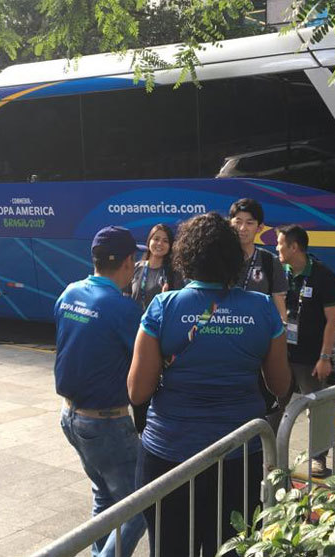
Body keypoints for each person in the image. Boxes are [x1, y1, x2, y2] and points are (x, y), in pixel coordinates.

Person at [128, 212, 291, 556]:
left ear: (185, 256)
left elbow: (137, 392)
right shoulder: (262, 308)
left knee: (171, 549)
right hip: (239, 454)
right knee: (230, 547)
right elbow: (280, 385)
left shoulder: (163, 307)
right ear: (234, 258)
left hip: (169, 454)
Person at [53, 226, 146, 557]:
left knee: (104, 495)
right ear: (128, 262)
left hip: (70, 416)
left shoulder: (70, 293)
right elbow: (150, 357)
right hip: (105, 424)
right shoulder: (122, 308)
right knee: (141, 505)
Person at [275, 224, 335, 477]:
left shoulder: (324, 276)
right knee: (274, 405)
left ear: (294, 247)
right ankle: (271, 455)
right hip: (281, 355)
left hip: (311, 358)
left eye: (280, 244)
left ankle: (319, 458)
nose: (276, 248)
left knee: (318, 406)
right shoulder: (279, 272)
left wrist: (325, 357)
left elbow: (332, 320)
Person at [229, 198, 288, 428]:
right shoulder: (221, 259)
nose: (242, 228)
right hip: (226, 341)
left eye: (249, 223)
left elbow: (279, 303)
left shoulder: (269, 261)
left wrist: (282, 339)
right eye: (238, 221)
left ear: (260, 228)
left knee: (259, 406)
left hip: (258, 346)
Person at [126, 223, 182, 433]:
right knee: (138, 387)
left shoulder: (174, 273)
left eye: (165, 240)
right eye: (156, 239)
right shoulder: (136, 268)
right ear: (149, 241)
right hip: (135, 337)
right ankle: (142, 430)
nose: (159, 244)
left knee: (159, 388)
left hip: (161, 340)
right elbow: (125, 298)